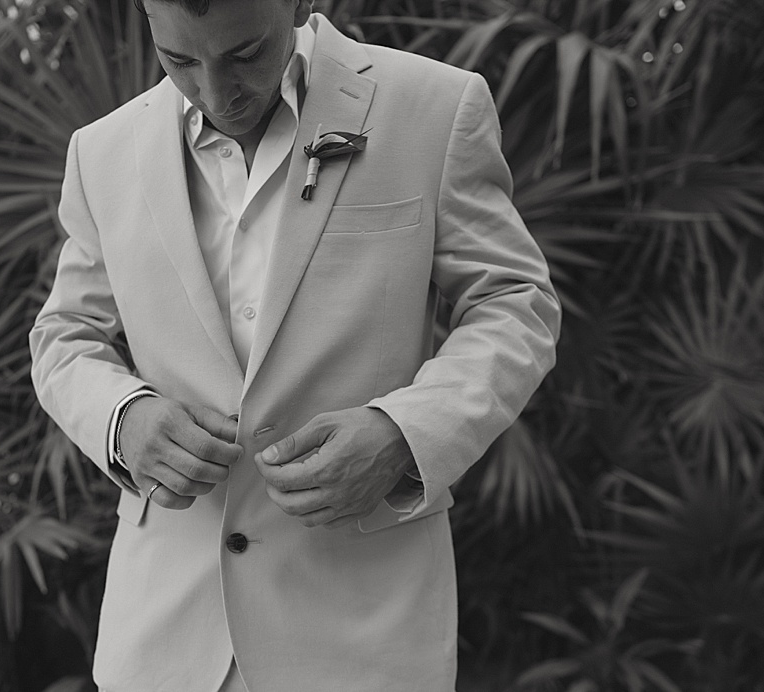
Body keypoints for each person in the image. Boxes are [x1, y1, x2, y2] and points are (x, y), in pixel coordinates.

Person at [28, 0, 561, 689]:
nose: (217, 93)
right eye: (180, 60)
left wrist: (403, 434)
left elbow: (515, 303)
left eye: (245, 54)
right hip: (164, 647)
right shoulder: (100, 151)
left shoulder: (435, 107)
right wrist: (123, 421)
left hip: (364, 641)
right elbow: (64, 335)